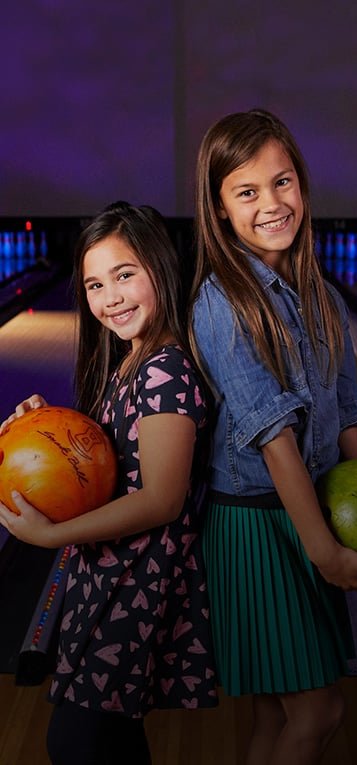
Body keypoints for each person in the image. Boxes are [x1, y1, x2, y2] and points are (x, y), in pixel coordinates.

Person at [0, 201, 217, 765]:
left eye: (125, 275)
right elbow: (115, 453)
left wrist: (49, 536)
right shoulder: (132, 358)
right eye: (95, 284)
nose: (110, 298)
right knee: (110, 738)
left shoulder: (166, 367)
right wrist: (48, 427)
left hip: (137, 579)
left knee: (76, 740)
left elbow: (162, 498)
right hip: (110, 571)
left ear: (160, 267)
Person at [189, 108, 357, 765]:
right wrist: (325, 551)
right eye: (248, 191)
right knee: (321, 708)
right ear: (221, 210)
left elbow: (350, 413)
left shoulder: (325, 296)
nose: (273, 203)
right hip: (256, 528)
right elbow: (273, 437)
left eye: (283, 181)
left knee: (276, 711)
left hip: (306, 512)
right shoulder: (223, 302)